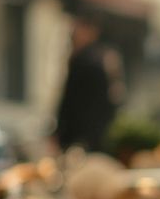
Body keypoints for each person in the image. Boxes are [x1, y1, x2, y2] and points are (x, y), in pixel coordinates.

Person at [52, 15, 123, 154]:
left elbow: (69, 100)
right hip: (98, 134)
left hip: (81, 135)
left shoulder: (84, 59)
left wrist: (60, 131)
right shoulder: (104, 57)